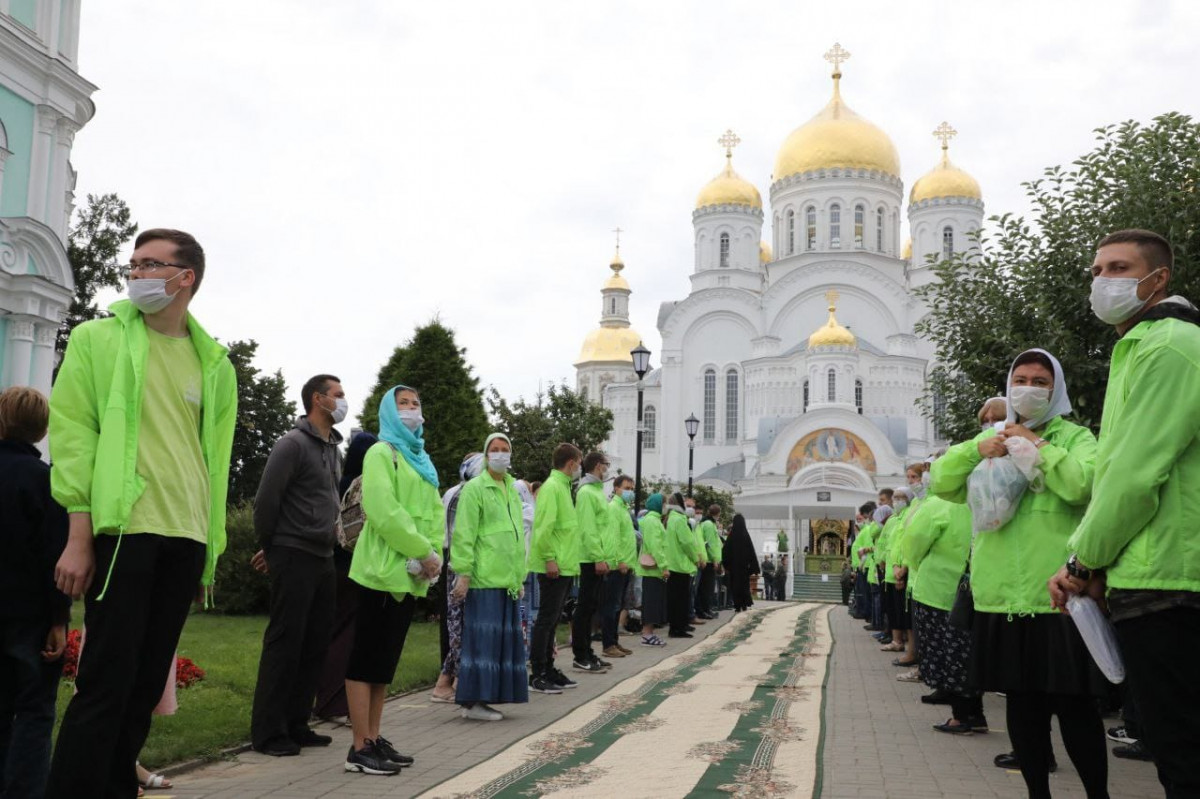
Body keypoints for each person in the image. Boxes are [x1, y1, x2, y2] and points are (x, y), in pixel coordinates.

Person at [46, 229, 238, 799]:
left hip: (186, 536)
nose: (134, 274)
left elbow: (215, 461)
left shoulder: (215, 364)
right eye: (131, 264)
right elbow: (74, 436)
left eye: (150, 265)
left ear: (186, 279)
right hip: (126, 532)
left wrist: (210, 545)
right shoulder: (96, 339)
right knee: (106, 684)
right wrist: (79, 534)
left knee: (143, 689)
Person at [1050, 229, 1200, 798]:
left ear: (1157, 279)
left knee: (1180, 751)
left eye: (1117, 268)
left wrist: (1083, 562)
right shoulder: (1146, 344)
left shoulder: (1166, 347)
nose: (1101, 282)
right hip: (1157, 572)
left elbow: (1133, 475)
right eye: (1097, 270)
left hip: (1170, 579)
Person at [933, 349, 1105, 799]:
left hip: (1059, 596)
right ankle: (1037, 793)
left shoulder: (1074, 437)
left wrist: (1038, 446)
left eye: (1040, 380)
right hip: (1002, 598)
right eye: (1020, 379)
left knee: (1074, 706)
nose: (1028, 388)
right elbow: (941, 483)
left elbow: (1084, 486)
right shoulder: (992, 437)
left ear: (1056, 389)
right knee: (1022, 707)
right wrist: (977, 446)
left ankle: (1098, 794)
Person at [344, 386, 442, 776]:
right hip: (381, 570)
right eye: (403, 404)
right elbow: (384, 511)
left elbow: (433, 512)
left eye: (416, 404)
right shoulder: (381, 453)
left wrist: (432, 555)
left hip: (411, 573)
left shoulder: (421, 460)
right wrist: (422, 550)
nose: (411, 410)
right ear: (389, 411)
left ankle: (374, 736)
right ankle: (358, 747)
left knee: (384, 663)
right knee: (365, 658)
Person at [249, 374, 346, 756]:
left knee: (314, 643)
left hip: (323, 556)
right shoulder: (291, 444)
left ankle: (296, 723)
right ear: (317, 399)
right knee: (285, 643)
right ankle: (269, 732)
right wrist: (272, 549)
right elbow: (266, 502)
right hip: (294, 554)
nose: (343, 400)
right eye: (337, 394)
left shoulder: (333, 450)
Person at [0, 387, 69, 798]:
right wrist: (59, 618)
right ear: (43, 429)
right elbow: (55, 556)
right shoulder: (46, 482)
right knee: (34, 712)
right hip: (29, 616)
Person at [449, 433, 529, 721]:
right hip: (483, 578)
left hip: (506, 579)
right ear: (485, 455)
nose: (499, 454)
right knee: (482, 642)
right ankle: (473, 703)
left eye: (504, 449)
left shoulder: (511, 488)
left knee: (500, 645)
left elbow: (517, 537)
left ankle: (488, 698)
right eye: (494, 450)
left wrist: (519, 576)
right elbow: (464, 534)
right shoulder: (475, 488)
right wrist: (464, 573)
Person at [314, 431, 377, 721]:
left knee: (337, 634)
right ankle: (332, 704)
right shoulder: (363, 486)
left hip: (334, 566)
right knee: (345, 639)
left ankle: (336, 702)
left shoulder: (338, 484)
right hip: (353, 569)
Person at [901, 485, 980, 719]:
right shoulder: (985, 500)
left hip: (937, 590)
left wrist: (915, 564)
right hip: (973, 590)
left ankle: (963, 715)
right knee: (964, 651)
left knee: (942, 651)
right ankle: (968, 708)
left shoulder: (939, 505)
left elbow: (913, 543)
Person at [528, 443, 583, 694]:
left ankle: (549, 668)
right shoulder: (552, 488)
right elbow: (544, 528)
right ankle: (538, 672)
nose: (579, 469)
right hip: (554, 565)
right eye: (579, 463)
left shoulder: (562, 487)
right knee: (545, 621)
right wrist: (550, 558)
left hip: (565, 565)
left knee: (552, 622)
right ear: (571, 463)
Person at [431, 452, 484, 704]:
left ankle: (448, 682)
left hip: (457, 562)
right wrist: (465, 571)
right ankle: (454, 682)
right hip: (460, 565)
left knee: (459, 626)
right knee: (459, 627)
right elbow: (459, 534)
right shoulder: (463, 494)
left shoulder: (455, 492)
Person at [572, 452, 613, 673]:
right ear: (598, 466)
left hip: (598, 556)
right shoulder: (587, 493)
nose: (607, 469)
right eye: (606, 465)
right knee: (585, 607)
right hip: (589, 558)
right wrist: (598, 557)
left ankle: (588, 651)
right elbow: (589, 529)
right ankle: (580, 653)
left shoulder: (596, 492)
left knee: (592, 607)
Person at [601, 475, 637, 659]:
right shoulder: (614, 508)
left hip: (626, 565)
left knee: (617, 606)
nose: (630, 491)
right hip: (617, 565)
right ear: (616, 488)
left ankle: (614, 641)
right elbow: (613, 538)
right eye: (626, 487)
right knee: (611, 606)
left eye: (632, 488)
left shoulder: (624, 509)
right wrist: (619, 560)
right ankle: (608, 644)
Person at [634, 494, 670, 646]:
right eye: (664, 503)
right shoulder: (652, 521)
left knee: (654, 601)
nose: (666, 507)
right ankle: (647, 634)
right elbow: (655, 546)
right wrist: (664, 566)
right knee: (651, 601)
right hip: (653, 569)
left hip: (654, 570)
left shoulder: (654, 520)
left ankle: (649, 633)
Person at [664, 493, 700, 638]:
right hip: (681, 564)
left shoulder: (670, 518)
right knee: (681, 600)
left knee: (674, 600)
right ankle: (678, 628)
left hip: (671, 564)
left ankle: (676, 626)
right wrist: (695, 558)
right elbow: (687, 542)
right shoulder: (679, 519)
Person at [722, 514, 758, 612]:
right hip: (744, 568)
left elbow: (725, 551)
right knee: (744, 586)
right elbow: (752, 552)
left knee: (735, 586)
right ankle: (744, 604)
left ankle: (737, 605)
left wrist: (726, 565)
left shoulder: (731, 536)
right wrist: (754, 567)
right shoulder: (745, 535)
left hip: (734, 568)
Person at [695, 505, 723, 620]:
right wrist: (715, 559)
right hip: (710, 560)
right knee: (707, 588)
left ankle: (706, 609)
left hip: (710, 559)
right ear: (717, 514)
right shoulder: (709, 525)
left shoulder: (706, 523)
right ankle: (706, 610)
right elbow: (711, 543)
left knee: (706, 587)